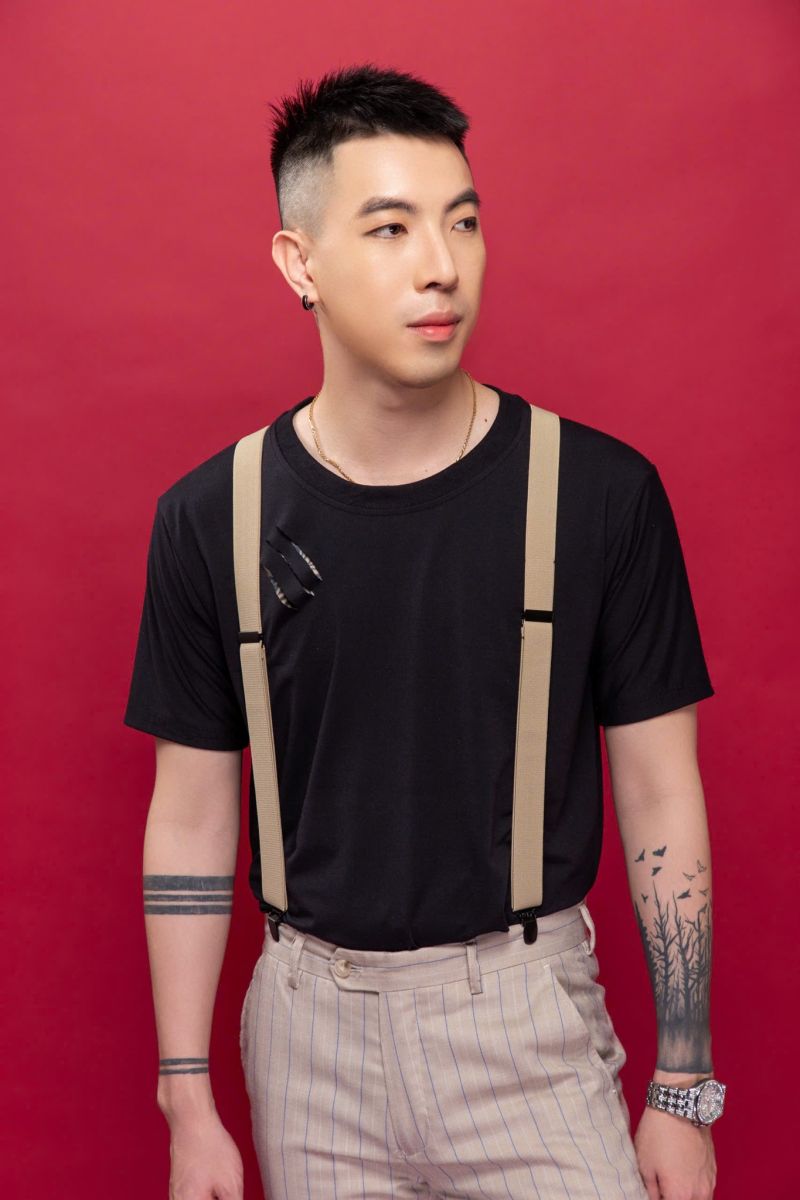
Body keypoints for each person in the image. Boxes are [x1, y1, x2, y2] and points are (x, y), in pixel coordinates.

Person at [123, 62, 724, 1200]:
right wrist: (187, 1097)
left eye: (463, 221)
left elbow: (659, 792)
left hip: (528, 1024)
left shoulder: (598, 495)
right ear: (299, 262)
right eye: (390, 228)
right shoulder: (211, 518)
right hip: (307, 1038)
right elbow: (191, 815)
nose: (441, 264)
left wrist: (683, 1084)